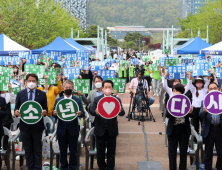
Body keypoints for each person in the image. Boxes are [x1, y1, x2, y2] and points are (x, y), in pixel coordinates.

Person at [14, 73, 47, 170]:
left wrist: (45, 111)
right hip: (25, 126)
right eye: (29, 81)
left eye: (33, 81)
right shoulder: (20, 94)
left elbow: (45, 108)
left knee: (37, 149)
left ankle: (37, 168)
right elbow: (17, 109)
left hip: (37, 126)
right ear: (26, 82)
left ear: (37, 83)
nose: (31, 82)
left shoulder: (42, 94)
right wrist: (16, 112)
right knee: (28, 149)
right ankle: (29, 167)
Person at [90, 80, 125, 170]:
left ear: (112, 88)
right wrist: (95, 112)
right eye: (106, 87)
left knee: (111, 151)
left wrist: (120, 110)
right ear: (102, 88)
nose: (108, 89)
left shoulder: (116, 99)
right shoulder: (97, 99)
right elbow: (91, 111)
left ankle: (110, 167)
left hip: (112, 129)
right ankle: (101, 167)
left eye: (110, 87)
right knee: (100, 151)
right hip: (100, 129)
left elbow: (122, 113)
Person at [53, 80, 85, 170]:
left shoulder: (77, 100)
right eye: (66, 88)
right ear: (63, 89)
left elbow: (83, 113)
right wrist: (54, 113)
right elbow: (53, 113)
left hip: (73, 129)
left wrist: (79, 113)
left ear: (73, 88)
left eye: (70, 88)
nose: (68, 89)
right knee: (62, 152)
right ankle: (63, 167)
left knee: (73, 151)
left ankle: (73, 167)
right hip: (61, 130)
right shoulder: (58, 100)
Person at [166, 84, 193, 170]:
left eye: (176, 91)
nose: (174, 92)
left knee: (183, 152)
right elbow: (167, 115)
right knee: (172, 152)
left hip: (184, 129)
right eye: (173, 91)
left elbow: (191, 116)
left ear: (181, 92)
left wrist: (190, 112)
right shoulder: (170, 100)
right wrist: (168, 109)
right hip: (173, 129)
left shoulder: (187, 100)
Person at [199, 82, 222, 170]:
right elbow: (200, 115)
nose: (213, 90)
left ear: (218, 89)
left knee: (221, 152)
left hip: (220, 129)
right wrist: (204, 111)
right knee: (208, 153)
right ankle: (208, 168)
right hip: (209, 129)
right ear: (208, 90)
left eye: (215, 88)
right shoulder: (204, 101)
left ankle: (219, 167)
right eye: (211, 89)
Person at [78, 75, 104, 149]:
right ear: (94, 83)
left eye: (99, 81)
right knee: (93, 134)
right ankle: (93, 149)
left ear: (102, 82)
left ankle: (102, 150)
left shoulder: (105, 92)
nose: (97, 82)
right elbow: (87, 102)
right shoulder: (91, 92)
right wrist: (83, 96)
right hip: (94, 117)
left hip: (104, 116)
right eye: (96, 81)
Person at [186, 71, 210, 138]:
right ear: (196, 83)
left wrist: (208, 73)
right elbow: (190, 84)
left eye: (200, 82)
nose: (199, 83)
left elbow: (207, 82)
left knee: (203, 124)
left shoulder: (204, 90)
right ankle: (195, 140)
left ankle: (204, 139)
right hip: (195, 109)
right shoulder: (193, 90)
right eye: (197, 82)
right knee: (195, 125)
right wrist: (190, 74)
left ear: (202, 83)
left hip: (202, 109)